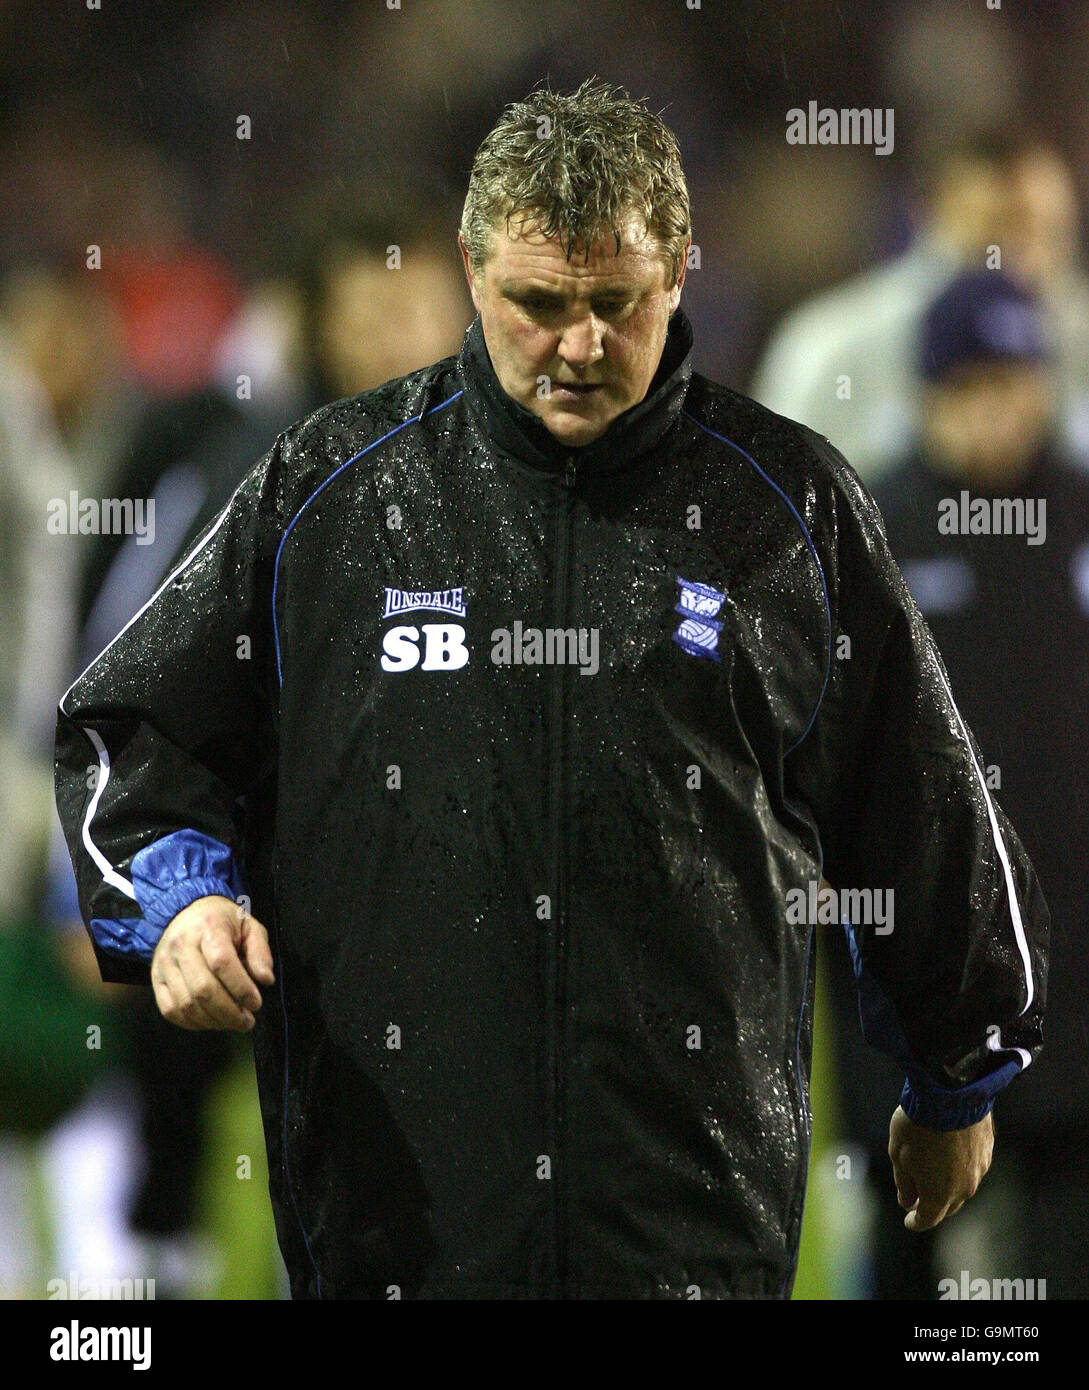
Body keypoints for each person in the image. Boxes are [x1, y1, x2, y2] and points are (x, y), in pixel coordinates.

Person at [55, 78, 1049, 1301]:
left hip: (692, 1227)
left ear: (682, 272)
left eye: (614, 305)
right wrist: (180, 902)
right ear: (472, 274)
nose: (579, 347)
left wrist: (958, 1068)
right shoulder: (327, 494)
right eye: (538, 305)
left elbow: (926, 799)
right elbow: (131, 725)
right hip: (391, 1226)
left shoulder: (789, 508)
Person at [825, 268, 1089, 1299]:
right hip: (913, 961)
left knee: (1064, 1250)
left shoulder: (1076, 512)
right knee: (906, 1250)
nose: (999, 407)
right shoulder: (871, 526)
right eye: (973, 384)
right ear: (929, 391)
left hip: (1071, 963)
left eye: (1017, 379)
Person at [750, 129, 1089, 482]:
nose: (1022, 262)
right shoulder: (834, 347)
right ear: (931, 222)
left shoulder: (1079, 340)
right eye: (997, 235)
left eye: (1046, 236)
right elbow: (775, 505)